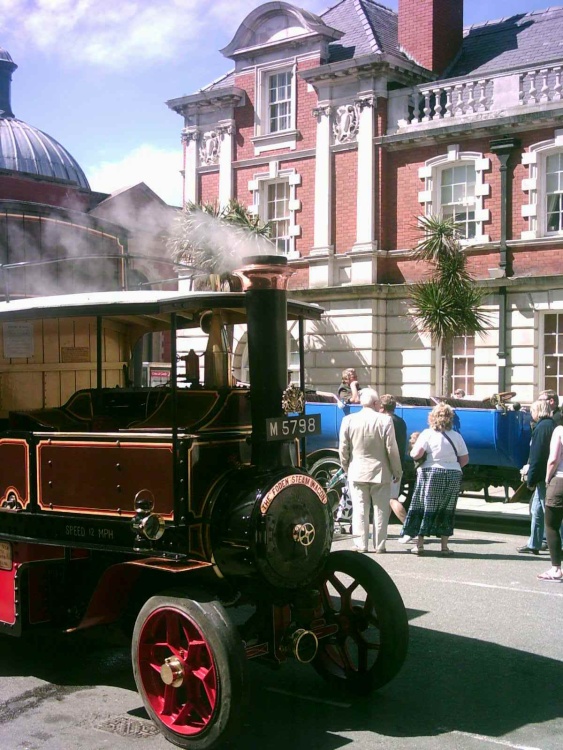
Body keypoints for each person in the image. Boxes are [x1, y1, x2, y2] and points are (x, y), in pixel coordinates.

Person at [338, 388, 402, 553]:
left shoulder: (349, 420)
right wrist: (397, 470)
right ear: (375, 403)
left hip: (357, 470)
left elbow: (343, 448)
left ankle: (361, 544)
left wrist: (346, 467)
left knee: (360, 509)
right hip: (380, 471)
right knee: (381, 510)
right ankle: (380, 545)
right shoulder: (385, 421)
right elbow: (391, 449)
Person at [402, 402, 469, 555]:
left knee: (423, 507)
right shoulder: (456, 436)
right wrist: (451, 464)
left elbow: (416, 454)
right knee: (447, 509)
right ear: (450, 418)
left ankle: (419, 545)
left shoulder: (427, 433)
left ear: (432, 417)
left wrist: (413, 452)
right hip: (453, 474)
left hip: (430, 473)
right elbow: (464, 459)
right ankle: (444, 547)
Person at [517, 399, 555, 555]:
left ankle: (556, 545)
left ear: (538, 411)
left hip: (543, 477)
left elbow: (537, 457)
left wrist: (530, 478)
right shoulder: (550, 425)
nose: (531, 414)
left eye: (532, 410)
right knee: (537, 510)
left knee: (548, 512)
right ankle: (534, 543)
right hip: (545, 475)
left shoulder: (541, 428)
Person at [379, 394, 408, 526]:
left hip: (385, 465)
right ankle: (382, 529)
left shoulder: (383, 421)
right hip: (398, 463)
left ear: (382, 407)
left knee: (391, 499)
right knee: (387, 500)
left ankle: (409, 527)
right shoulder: (401, 421)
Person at [540, 425, 563, 581]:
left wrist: (548, 477)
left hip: (560, 480)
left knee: (551, 525)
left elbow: (553, 459)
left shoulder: (559, 430)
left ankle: (556, 568)